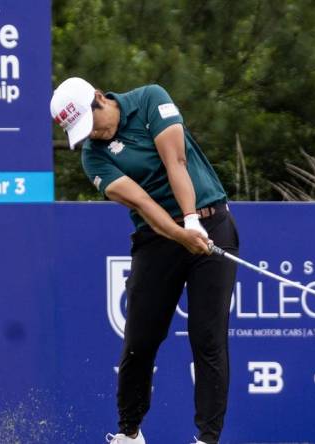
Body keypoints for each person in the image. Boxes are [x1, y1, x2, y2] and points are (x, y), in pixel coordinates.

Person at [50, 77, 239, 444]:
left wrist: (193, 220)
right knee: (139, 340)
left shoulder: (150, 99)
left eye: (92, 125)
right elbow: (143, 204)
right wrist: (182, 233)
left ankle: (207, 439)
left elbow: (177, 161)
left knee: (207, 337)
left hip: (211, 222)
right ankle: (130, 433)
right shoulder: (94, 156)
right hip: (157, 239)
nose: (94, 136)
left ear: (100, 99)